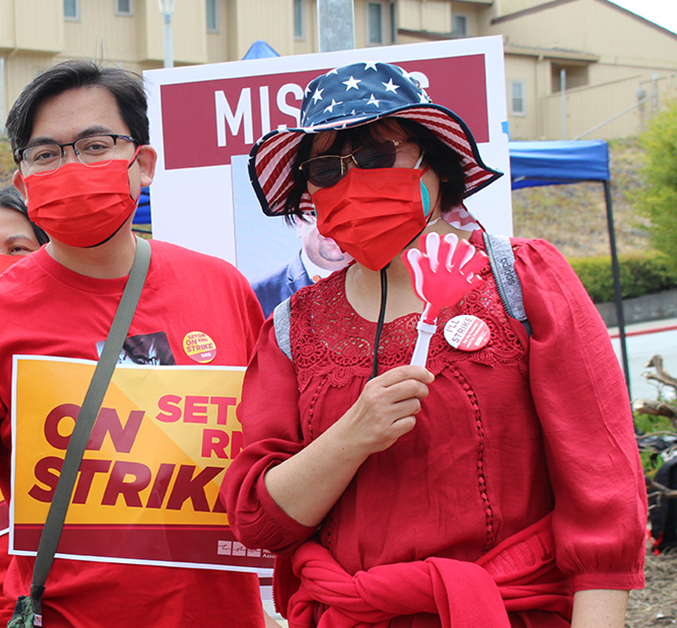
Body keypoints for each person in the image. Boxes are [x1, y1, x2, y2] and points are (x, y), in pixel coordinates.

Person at [222, 61, 646, 627]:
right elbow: (262, 522)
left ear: (434, 162)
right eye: (324, 169)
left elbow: (603, 488)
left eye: (375, 154)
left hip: (512, 611)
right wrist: (352, 435)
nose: (350, 183)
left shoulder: (524, 281)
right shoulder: (290, 328)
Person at [0, 60, 268, 626]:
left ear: (143, 164)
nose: (71, 166)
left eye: (94, 145)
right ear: (23, 183)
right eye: (46, 154)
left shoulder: (223, 288)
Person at [251, 211, 351, 315]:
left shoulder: (368, 287)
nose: (333, 225)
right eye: (319, 213)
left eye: (346, 215)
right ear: (299, 224)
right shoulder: (258, 294)